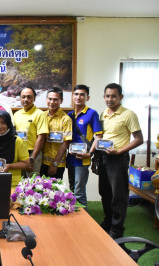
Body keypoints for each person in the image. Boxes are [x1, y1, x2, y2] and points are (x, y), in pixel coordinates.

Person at [97, 83, 143, 239]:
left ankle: (117, 230)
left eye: (114, 96)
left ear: (120, 97)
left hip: (118, 159)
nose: (110, 99)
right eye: (107, 96)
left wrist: (120, 151)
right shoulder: (103, 114)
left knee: (119, 195)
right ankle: (108, 222)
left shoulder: (128, 114)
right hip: (104, 158)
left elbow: (139, 139)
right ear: (104, 97)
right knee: (105, 193)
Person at [66, 85, 102, 209]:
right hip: (70, 158)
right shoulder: (70, 115)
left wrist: (90, 154)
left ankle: (84, 222)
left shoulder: (92, 114)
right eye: (76, 94)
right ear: (72, 96)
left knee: (79, 192)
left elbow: (98, 136)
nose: (78, 97)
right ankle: (75, 219)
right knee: (72, 190)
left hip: (83, 159)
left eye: (82, 94)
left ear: (88, 97)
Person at [0, 110, 30, 187]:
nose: (0, 126)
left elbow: (26, 163)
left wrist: (9, 166)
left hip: (12, 183)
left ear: (8, 123)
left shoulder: (17, 141)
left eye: (3, 122)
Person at [13, 86, 49, 176]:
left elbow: (41, 138)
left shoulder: (40, 114)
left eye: (29, 97)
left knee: (32, 184)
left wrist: (32, 158)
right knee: (19, 183)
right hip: (19, 153)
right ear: (20, 98)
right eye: (23, 97)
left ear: (34, 98)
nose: (26, 99)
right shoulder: (16, 114)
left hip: (33, 153)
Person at [40, 87, 72, 179]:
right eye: (50, 99)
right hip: (42, 162)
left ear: (61, 100)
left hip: (57, 164)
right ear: (46, 99)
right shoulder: (42, 116)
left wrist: (55, 164)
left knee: (55, 191)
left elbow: (65, 143)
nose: (52, 102)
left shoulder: (65, 119)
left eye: (55, 99)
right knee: (39, 190)